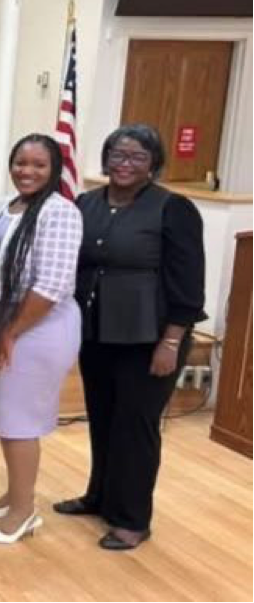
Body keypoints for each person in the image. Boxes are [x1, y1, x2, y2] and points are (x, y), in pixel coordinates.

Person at [53, 124, 205, 551]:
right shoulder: (88, 202)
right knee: (102, 418)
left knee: (135, 427)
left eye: (138, 157)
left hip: (149, 338)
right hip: (96, 331)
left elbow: (189, 284)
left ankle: (133, 519)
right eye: (118, 155)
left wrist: (172, 342)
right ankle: (99, 496)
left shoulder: (173, 208)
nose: (125, 164)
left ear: (154, 164)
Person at [0, 134, 83, 544]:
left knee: (20, 422)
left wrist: (10, 333)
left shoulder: (61, 213)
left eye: (39, 165)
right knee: (8, 416)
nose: (27, 171)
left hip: (36, 326)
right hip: (6, 323)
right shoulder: (6, 204)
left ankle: (23, 512)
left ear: (54, 169)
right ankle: (14, 494)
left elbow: (51, 285)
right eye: (21, 162)